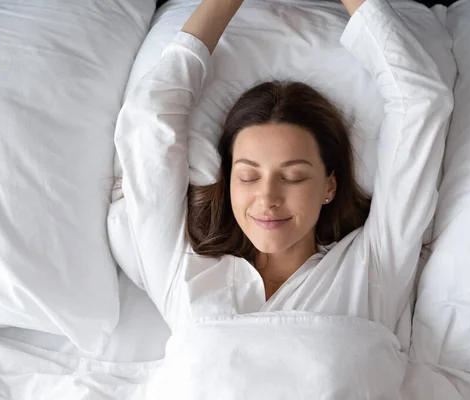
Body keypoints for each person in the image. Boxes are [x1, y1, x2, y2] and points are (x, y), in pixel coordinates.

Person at [114, 0, 452, 394]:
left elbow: (421, 102)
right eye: (248, 176)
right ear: (229, 183)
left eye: (292, 177)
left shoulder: (372, 267)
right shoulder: (185, 272)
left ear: (329, 185)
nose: (267, 197)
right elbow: (149, 121)